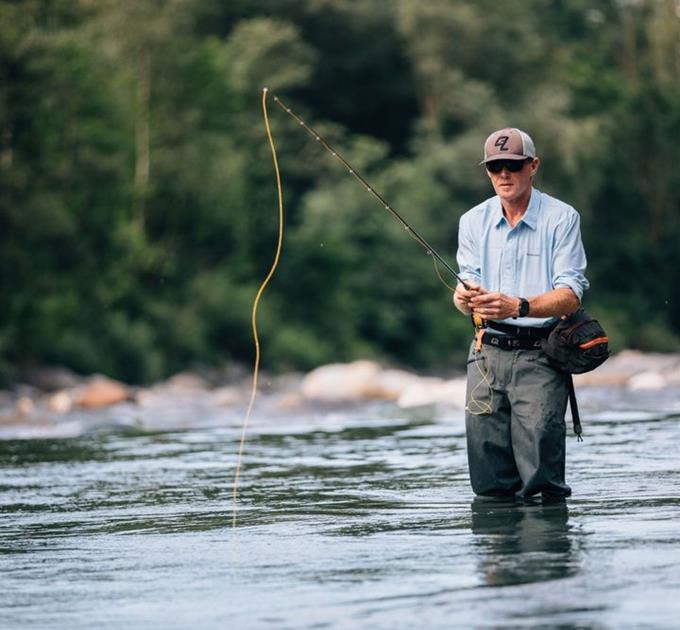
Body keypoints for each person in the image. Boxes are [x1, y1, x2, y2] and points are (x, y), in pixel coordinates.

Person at [453, 127, 589, 500]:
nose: (504, 175)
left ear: (533, 166)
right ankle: (498, 558)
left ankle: (546, 557)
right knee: (488, 483)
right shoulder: (472, 221)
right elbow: (465, 283)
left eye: (513, 165)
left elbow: (571, 294)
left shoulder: (562, 218)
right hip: (484, 355)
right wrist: (463, 298)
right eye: (495, 166)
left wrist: (519, 306)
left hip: (541, 356)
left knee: (541, 483)